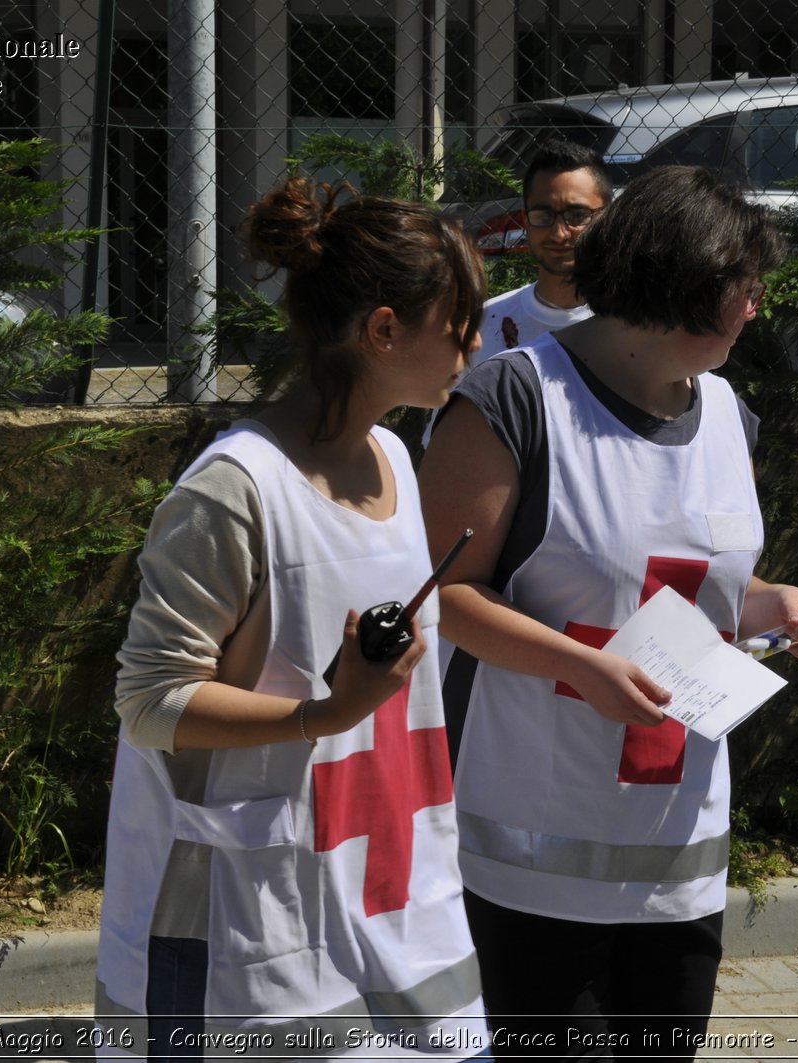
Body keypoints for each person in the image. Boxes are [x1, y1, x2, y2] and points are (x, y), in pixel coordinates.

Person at [418, 165, 798, 1061]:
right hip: (537, 862)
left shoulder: (728, 414)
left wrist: (781, 604)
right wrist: (579, 664)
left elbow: (698, 590)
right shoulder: (514, 400)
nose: (756, 311)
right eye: (745, 290)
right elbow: (443, 594)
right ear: (686, 288)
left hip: (679, 859)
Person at [96, 177, 491, 1061]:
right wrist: (326, 713)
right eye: (456, 320)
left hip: (402, 898)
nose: (474, 339)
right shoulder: (232, 489)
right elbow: (150, 701)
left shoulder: (394, 453)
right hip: (256, 941)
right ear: (383, 331)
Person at [477, 139, 613, 363]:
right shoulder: (483, 324)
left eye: (577, 216)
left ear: (608, 216)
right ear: (525, 220)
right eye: (543, 216)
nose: (559, 234)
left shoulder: (639, 325)